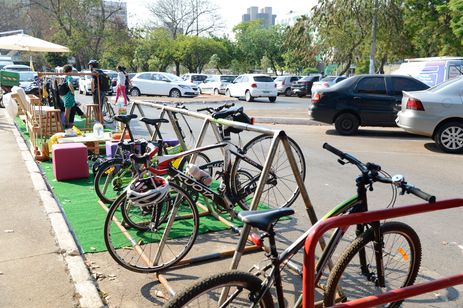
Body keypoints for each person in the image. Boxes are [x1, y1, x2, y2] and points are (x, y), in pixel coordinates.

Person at [61, 64, 75, 128]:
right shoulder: (69, 77)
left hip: (65, 95)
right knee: (67, 111)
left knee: (67, 110)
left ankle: (66, 123)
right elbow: (70, 84)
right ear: (69, 71)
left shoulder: (65, 77)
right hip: (69, 95)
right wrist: (72, 91)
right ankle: (66, 124)